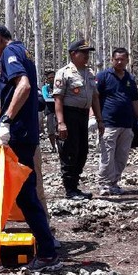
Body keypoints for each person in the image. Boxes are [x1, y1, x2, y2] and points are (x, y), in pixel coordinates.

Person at [0, 23, 59, 271]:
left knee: (6, 193)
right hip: (22, 135)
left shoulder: (10, 52)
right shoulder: (23, 51)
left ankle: (44, 250)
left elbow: (24, 86)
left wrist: (5, 120)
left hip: (16, 136)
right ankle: (44, 248)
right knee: (23, 196)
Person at [52, 39, 103, 200]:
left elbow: (95, 98)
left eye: (88, 53)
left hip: (83, 115)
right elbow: (58, 99)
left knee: (82, 151)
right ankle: (70, 189)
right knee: (69, 151)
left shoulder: (90, 73)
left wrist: (100, 120)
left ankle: (75, 186)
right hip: (69, 115)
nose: (87, 56)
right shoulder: (64, 73)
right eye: (84, 53)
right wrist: (61, 123)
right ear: (73, 54)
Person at [95, 47, 138, 196]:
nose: (120, 62)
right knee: (107, 155)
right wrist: (94, 118)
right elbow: (94, 97)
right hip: (108, 122)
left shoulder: (130, 79)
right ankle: (103, 184)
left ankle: (114, 183)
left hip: (127, 124)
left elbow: (134, 100)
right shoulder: (103, 76)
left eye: (123, 59)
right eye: (117, 59)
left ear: (128, 60)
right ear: (112, 60)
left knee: (121, 156)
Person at [41, 69, 57, 152]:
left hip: (59, 110)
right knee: (51, 130)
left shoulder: (59, 87)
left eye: (53, 77)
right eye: (50, 78)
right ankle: (53, 147)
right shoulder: (45, 88)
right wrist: (57, 99)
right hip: (49, 111)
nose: (52, 79)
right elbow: (46, 98)